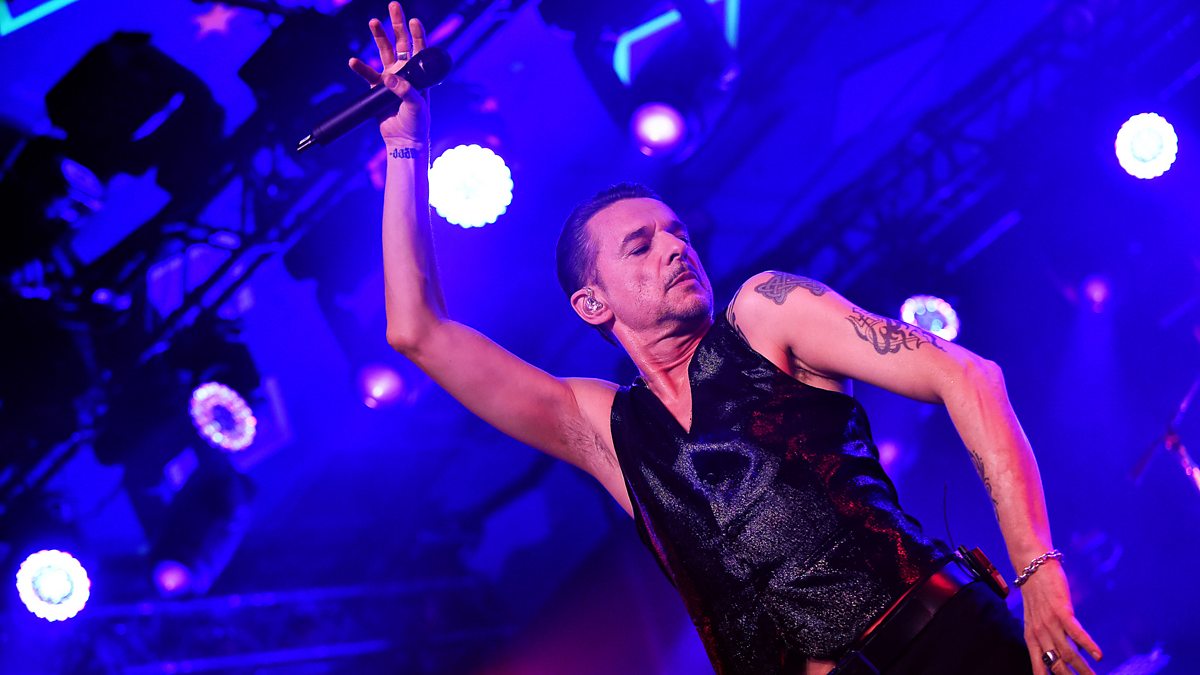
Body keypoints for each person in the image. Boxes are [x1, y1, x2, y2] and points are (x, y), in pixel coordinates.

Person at [347, 4, 1104, 673]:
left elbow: (968, 375)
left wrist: (1037, 568)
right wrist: (405, 148)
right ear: (591, 303)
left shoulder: (766, 314)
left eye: (677, 233)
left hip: (945, 645)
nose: (676, 248)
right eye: (640, 246)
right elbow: (417, 331)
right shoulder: (605, 429)